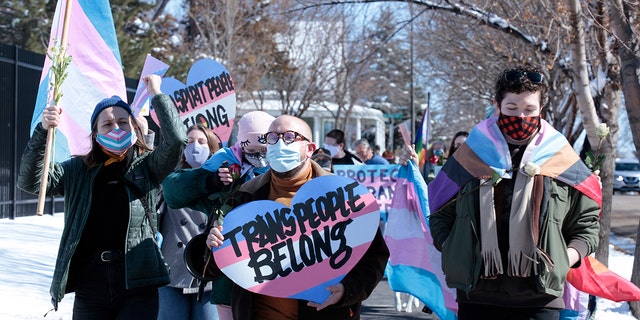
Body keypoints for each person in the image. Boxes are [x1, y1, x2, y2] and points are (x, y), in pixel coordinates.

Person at [426, 66, 602, 320]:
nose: (521, 116)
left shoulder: (560, 158)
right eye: (512, 108)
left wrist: (565, 257)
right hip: (477, 296)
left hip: (542, 299)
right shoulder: (470, 154)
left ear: (541, 109)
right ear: (497, 106)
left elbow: (586, 223)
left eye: (529, 110)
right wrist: (453, 247)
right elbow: (440, 209)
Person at [17, 74, 185, 319]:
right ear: (95, 134)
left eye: (122, 122)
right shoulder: (77, 171)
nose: (116, 128)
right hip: (90, 284)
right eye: (107, 124)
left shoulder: (148, 167)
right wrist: (43, 131)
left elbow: (177, 141)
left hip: (138, 283)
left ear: (134, 128)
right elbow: (30, 181)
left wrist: (157, 95)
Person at [206, 115, 390, 320]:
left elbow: (375, 256)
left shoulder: (344, 195)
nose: (280, 143)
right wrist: (213, 245)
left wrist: (349, 290)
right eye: (273, 137)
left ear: (309, 149)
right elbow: (219, 264)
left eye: (290, 137)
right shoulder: (244, 195)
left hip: (325, 313)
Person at [161, 110, 276, 320]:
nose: (260, 156)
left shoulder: (285, 177)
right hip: (227, 283)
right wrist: (210, 180)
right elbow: (172, 193)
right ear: (241, 145)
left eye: (265, 149)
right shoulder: (227, 173)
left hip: (274, 280)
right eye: (253, 149)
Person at [157, 124, 221, 320]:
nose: (195, 146)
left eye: (201, 142)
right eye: (190, 141)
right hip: (172, 269)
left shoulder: (221, 180)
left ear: (211, 148)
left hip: (208, 269)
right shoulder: (170, 179)